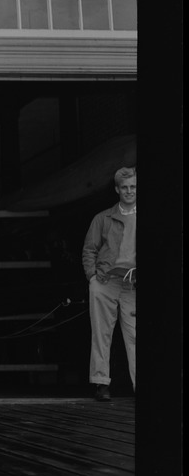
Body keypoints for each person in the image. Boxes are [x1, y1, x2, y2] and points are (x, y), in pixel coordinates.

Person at [82, 167, 136, 402]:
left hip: (133, 284)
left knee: (135, 335)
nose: (129, 191)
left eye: (133, 187)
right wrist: (92, 277)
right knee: (102, 333)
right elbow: (89, 249)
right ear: (116, 189)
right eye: (124, 187)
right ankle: (101, 383)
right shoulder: (102, 218)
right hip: (106, 281)